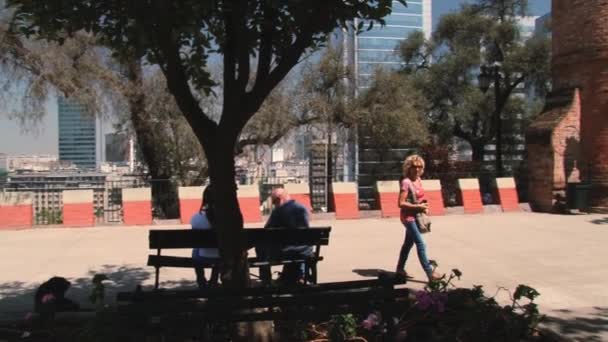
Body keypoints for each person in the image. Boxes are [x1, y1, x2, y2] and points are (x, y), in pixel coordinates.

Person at [395, 154, 443, 282]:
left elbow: (419, 198)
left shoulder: (419, 180)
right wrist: (419, 207)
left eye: (419, 167)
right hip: (408, 217)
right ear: (408, 167)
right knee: (420, 243)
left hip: (417, 216)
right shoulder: (406, 182)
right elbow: (400, 203)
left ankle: (400, 269)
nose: (417, 169)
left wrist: (424, 206)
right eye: (414, 167)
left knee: (407, 244)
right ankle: (430, 273)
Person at [258, 187, 313, 284]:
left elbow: (266, 231)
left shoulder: (278, 212)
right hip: (306, 251)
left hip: (286, 252)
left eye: (274, 202)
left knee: (260, 246)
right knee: (300, 246)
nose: (274, 205)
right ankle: (298, 275)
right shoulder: (303, 208)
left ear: (279, 199)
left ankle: (265, 279)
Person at [190, 185, 220, 288]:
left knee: (196, 249)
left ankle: (201, 280)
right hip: (221, 258)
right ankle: (214, 280)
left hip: (201, 258)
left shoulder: (195, 218)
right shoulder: (227, 218)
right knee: (219, 250)